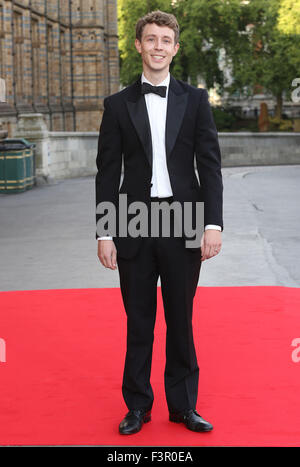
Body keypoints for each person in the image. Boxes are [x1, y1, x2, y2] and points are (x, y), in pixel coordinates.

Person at [95, 10, 223, 435]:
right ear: (138, 45)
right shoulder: (117, 105)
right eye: (150, 39)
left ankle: (184, 406)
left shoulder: (197, 100)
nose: (158, 47)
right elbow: (106, 171)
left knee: (181, 318)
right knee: (139, 320)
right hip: (132, 220)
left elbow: (210, 166)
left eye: (165, 40)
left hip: (184, 218)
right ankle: (137, 406)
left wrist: (213, 224)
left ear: (175, 48)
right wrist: (105, 231)